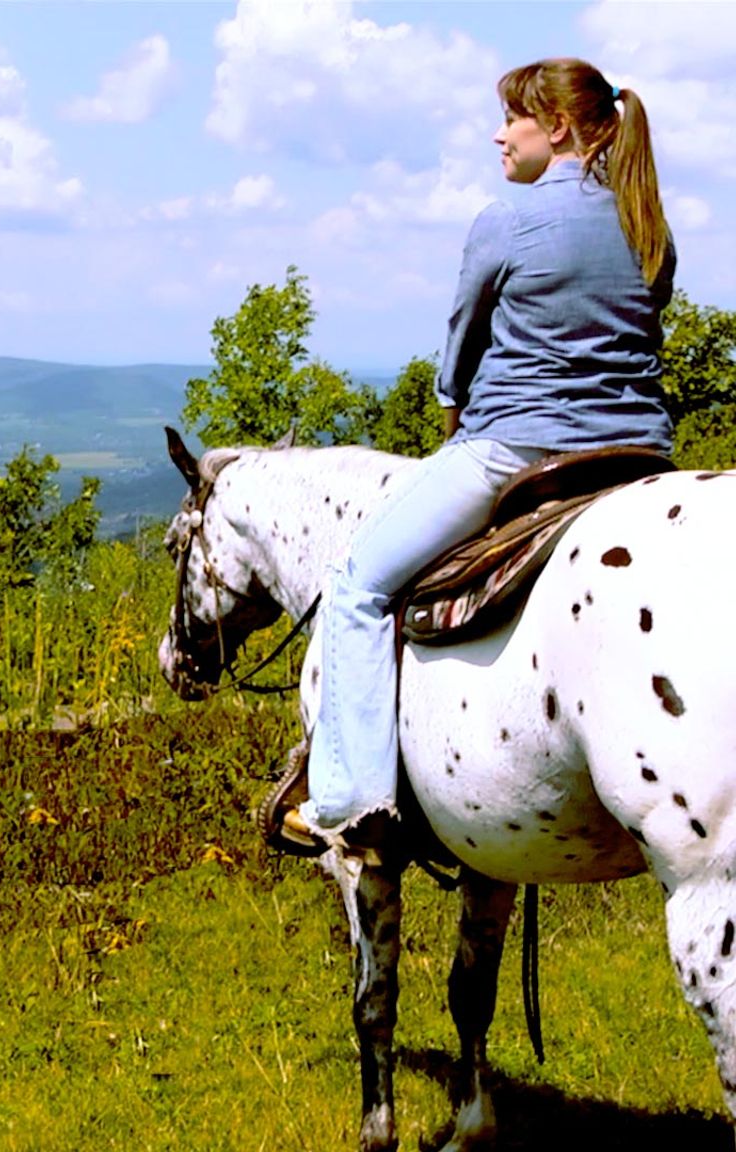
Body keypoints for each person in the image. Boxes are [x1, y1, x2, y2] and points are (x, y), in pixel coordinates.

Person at [269, 57, 676, 855]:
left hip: (516, 449)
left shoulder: (507, 220)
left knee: (355, 586)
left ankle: (349, 801)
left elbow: (463, 336)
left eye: (512, 119)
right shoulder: (645, 223)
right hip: (637, 455)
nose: (499, 134)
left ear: (556, 128)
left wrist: (455, 406)